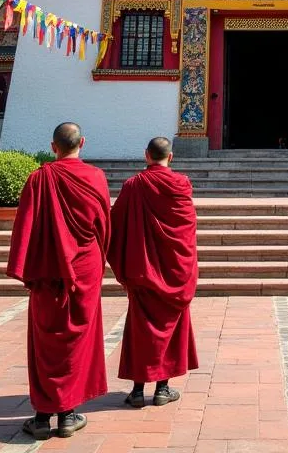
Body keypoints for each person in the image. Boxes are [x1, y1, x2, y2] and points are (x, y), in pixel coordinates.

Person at [7, 122, 111, 440]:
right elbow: (104, 225)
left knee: (46, 340)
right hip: (84, 268)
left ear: (53, 147)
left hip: (47, 269)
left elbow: (25, 227)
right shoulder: (96, 178)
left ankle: (41, 416)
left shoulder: (39, 178)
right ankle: (68, 415)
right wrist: (100, 256)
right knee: (77, 339)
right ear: (83, 143)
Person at [108, 136, 199, 408]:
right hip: (173, 271)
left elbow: (115, 227)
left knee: (140, 329)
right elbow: (186, 233)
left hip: (143, 271)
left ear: (146, 155)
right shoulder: (181, 185)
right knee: (170, 327)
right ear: (170, 157)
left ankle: (137, 390)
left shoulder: (133, 186)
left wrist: (124, 265)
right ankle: (162, 388)